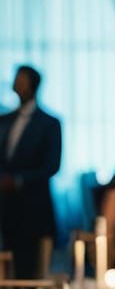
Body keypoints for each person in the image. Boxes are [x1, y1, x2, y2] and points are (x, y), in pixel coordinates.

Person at [0, 65, 61, 277]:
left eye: (22, 80)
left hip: (32, 208)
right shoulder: (4, 120)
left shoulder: (49, 124)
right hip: (6, 207)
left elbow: (52, 166)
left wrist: (17, 180)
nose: (17, 85)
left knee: (30, 268)